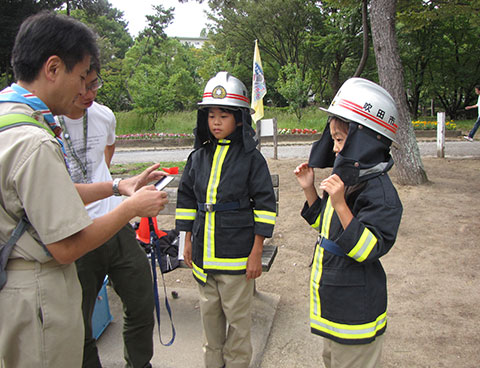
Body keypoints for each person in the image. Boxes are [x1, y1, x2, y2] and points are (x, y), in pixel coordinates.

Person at [0, 12, 167, 368]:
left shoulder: (9, 117)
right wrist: (132, 207)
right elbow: (64, 248)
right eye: (81, 77)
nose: (83, 90)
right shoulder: (34, 142)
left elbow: (50, 193)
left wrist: (116, 187)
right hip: (36, 295)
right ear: (53, 68)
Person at [294, 78, 403, 368]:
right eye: (333, 140)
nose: (334, 149)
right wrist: (309, 189)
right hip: (336, 301)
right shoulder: (350, 179)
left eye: (340, 140)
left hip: (356, 312)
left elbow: (368, 249)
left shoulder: (380, 193)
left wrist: (341, 203)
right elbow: (329, 228)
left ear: (364, 141)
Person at [175, 71, 277, 368]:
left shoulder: (251, 158)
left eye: (224, 115)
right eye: (211, 115)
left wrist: (257, 251)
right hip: (204, 259)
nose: (216, 122)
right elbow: (186, 200)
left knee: (238, 329)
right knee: (211, 331)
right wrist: (187, 240)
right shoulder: (197, 157)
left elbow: (265, 205)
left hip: (237, 260)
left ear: (240, 120)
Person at [56, 64, 155, 368]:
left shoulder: (103, 115)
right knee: (79, 319)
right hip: (75, 232)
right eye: (82, 85)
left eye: (94, 84)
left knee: (141, 301)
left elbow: (106, 155)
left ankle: (139, 363)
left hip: (115, 224)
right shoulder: (46, 124)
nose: (88, 93)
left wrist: (118, 186)